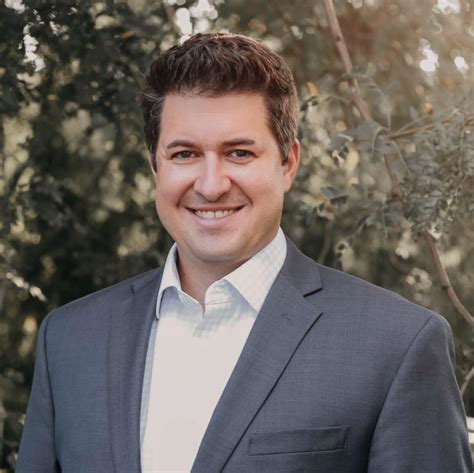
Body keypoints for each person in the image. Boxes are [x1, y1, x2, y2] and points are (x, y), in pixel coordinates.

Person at [17, 33, 471, 473]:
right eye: (184, 154)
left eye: (238, 153)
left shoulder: (398, 345)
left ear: (288, 163)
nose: (211, 185)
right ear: (155, 165)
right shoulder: (69, 340)